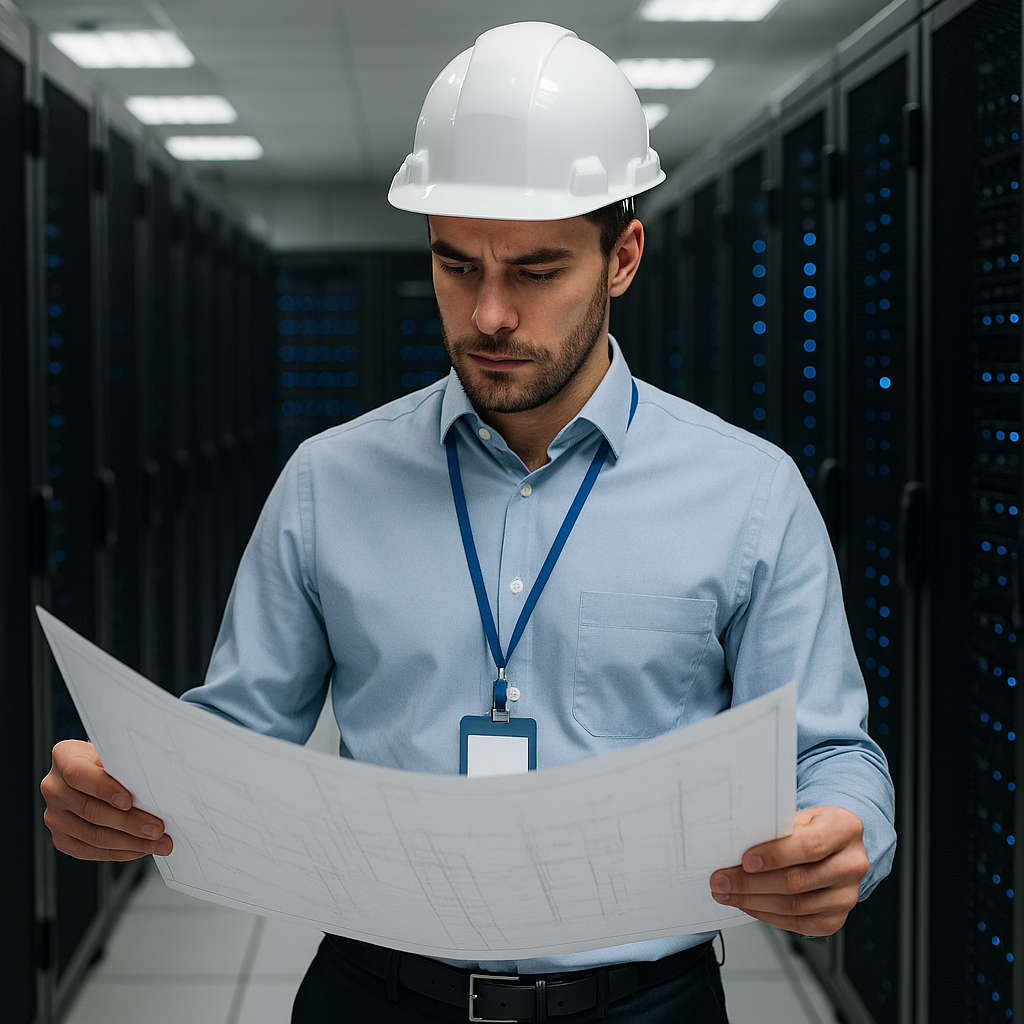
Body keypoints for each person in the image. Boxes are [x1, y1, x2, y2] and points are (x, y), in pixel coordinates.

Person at [41, 21, 895, 1024]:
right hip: (376, 991)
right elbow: (238, 736)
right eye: (456, 265)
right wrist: (125, 790)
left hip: (643, 1003)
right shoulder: (328, 480)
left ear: (622, 256)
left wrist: (849, 833)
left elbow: (829, 750)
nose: (487, 314)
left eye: (534, 271)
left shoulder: (750, 493)